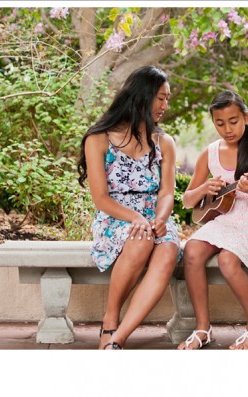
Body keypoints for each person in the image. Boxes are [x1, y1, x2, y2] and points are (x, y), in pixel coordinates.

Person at [77, 66, 181, 350]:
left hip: (156, 216)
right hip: (117, 217)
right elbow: (100, 198)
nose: (165, 105)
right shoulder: (99, 139)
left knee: (168, 248)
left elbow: (167, 192)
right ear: (142, 96)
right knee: (140, 239)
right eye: (160, 98)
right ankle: (110, 319)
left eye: (167, 99)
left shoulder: (165, 142)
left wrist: (160, 219)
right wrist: (137, 218)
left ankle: (118, 339)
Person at [177, 90, 248, 350]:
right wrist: (204, 189)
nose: (227, 129)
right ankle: (203, 328)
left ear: (246, 117)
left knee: (227, 258)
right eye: (220, 123)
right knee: (191, 249)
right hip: (225, 219)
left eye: (233, 121)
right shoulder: (210, 152)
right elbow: (188, 201)